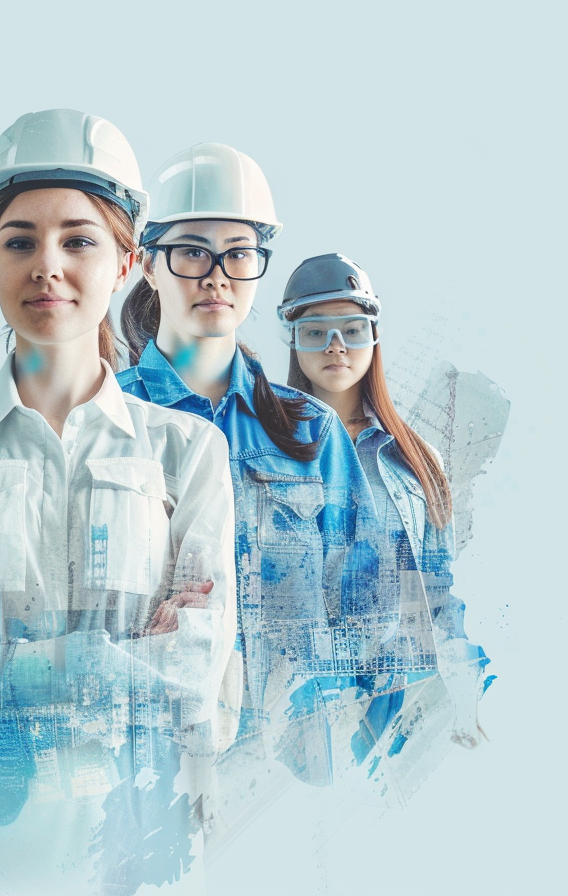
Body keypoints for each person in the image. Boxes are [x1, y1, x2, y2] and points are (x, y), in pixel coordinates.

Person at [0, 110, 240, 893]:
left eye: (79, 240)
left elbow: (193, 668)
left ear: (128, 261)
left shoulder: (186, 453)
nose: (47, 266)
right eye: (20, 241)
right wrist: (107, 658)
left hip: (138, 840)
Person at [117, 143, 375, 788]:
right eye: (191, 251)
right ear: (147, 264)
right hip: (142, 770)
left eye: (239, 252)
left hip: (289, 774)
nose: (217, 274)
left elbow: (374, 615)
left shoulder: (311, 433)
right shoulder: (99, 422)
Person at [278, 253, 489, 786]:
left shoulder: (417, 461)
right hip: (305, 706)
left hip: (404, 702)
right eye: (315, 331)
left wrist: (467, 697)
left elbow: (440, 591)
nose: (335, 346)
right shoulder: (262, 454)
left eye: (352, 329)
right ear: (293, 341)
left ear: (374, 337)